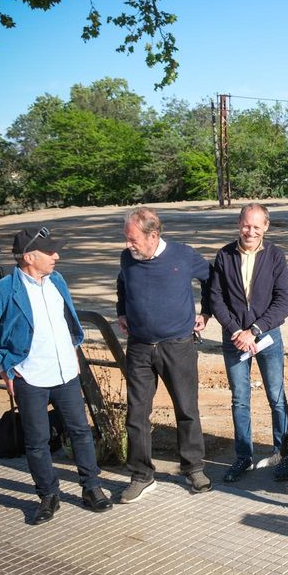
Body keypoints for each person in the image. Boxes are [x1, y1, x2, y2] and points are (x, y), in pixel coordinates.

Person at [0, 226, 112, 524]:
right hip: (29, 376)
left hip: (66, 373)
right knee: (36, 440)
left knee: (81, 432)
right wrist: (2, 366)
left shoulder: (57, 280)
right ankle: (48, 494)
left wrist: (73, 345)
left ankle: (92, 487)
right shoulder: (4, 290)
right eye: (50, 251)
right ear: (30, 257)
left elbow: (67, 320)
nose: (56, 255)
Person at [117, 206, 214, 502]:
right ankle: (141, 475)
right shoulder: (127, 258)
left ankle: (193, 468)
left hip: (178, 346)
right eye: (127, 238)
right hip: (139, 347)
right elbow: (122, 282)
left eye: (133, 239)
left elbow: (211, 278)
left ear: (153, 235)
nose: (127, 245)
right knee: (136, 414)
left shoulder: (183, 255)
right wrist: (121, 311)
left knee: (187, 409)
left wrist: (206, 312)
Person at [210, 203, 288, 484]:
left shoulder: (275, 256)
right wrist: (237, 331)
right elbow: (215, 299)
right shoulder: (224, 256)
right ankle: (243, 456)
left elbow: (283, 303)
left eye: (257, 226)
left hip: (268, 337)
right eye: (246, 225)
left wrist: (254, 330)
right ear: (239, 223)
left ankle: (283, 455)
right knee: (239, 400)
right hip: (234, 339)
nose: (251, 231)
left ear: (266, 227)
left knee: (277, 399)